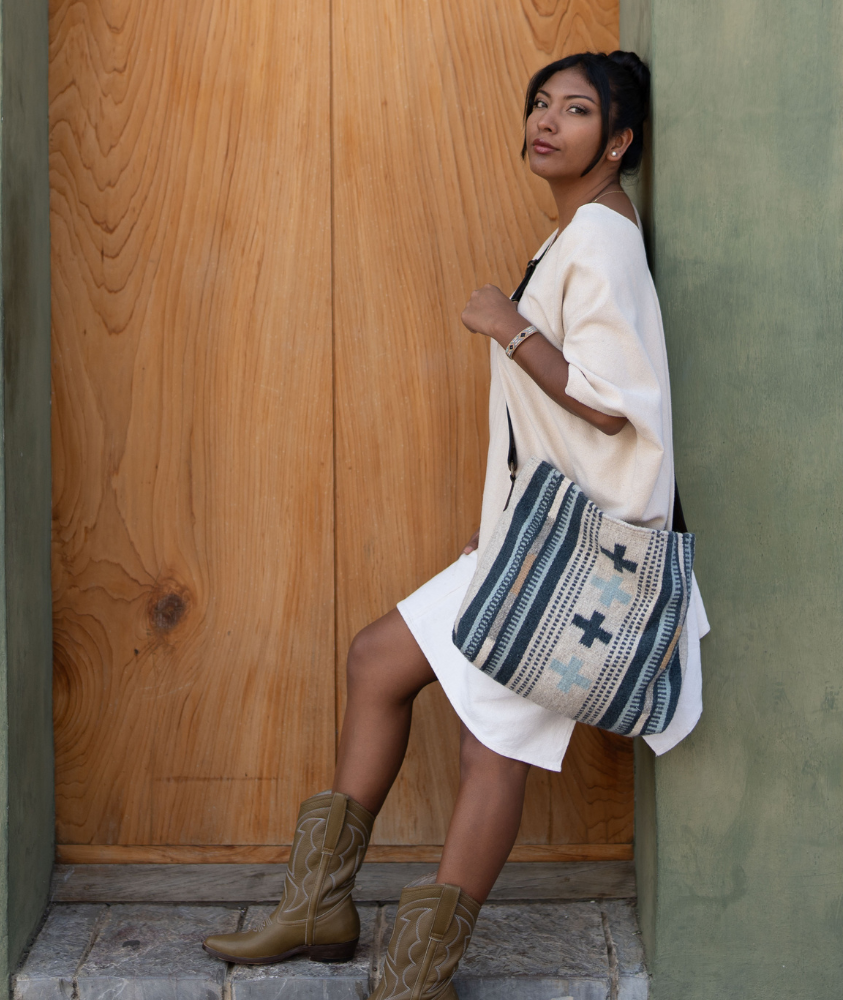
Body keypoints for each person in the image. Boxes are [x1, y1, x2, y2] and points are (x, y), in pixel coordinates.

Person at [203, 50, 709, 997]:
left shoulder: (600, 239)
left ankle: (418, 972)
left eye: (576, 111)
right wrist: (506, 521)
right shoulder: (579, 232)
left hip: (575, 562)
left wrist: (504, 325)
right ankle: (320, 909)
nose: (546, 122)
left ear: (621, 140)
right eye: (539, 105)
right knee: (378, 661)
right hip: (536, 540)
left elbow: (615, 402)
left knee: (493, 745)